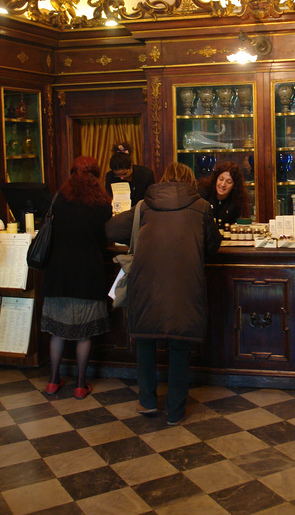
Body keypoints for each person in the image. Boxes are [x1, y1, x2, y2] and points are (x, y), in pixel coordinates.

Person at [105, 162, 221, 425]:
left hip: (146, 281)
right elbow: (213, 245)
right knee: (179, 343)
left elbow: (111, 229)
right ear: (190, 181)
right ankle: (176, 410)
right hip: (184, 283)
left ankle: (146, 400)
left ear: (164, 180)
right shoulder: (201, 206)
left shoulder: (144, 206)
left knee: (145, 339)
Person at [41, 156, 113, 398]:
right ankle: (81, 385)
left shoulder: (57, 199)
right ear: (96, 175)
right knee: (84, 335)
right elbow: (104, 242)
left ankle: (52, 381)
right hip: (88, 275)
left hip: (58, 275)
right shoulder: (102, 204)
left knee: (57, 333)